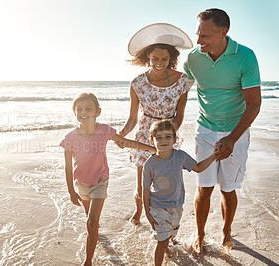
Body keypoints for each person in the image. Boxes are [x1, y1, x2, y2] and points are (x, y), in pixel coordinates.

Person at [183, 8, 262, 254]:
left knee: (228, 189)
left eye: (205, 36)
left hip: (235, 131)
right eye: (198, 34)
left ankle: (226, 231)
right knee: (204, 188)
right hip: (205, 130)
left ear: (223, 32)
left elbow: (254, 104)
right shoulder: (192, 58)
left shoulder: (246, 57)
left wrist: (232, 138)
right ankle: (200, 235)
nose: (198, 41)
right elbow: (178, 93)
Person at [60, 92, 156, 266]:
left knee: (91, 222)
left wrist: (151, 148)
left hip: (100, 181)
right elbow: (67, 167)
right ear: (74, 112)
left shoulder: (104, 130)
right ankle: (94, 231)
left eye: (89, 108)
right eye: (79, 109)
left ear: (98, 111)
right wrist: (71, 191)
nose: (84, 111)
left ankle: (87, 261)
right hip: (81, 183)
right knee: (90, 219)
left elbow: (125, 142)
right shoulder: (70, 138)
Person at [117, 23, 193, 225]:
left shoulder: (182, 81)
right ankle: (139, 211)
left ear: (172, 58)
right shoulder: (137, 83)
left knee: (167, 181)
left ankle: (167, 219)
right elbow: (133, 118)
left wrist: (167, 136)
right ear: (147, 58)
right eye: (155, 59)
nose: (160, 63)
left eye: (165, 59)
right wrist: (121, 134)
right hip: (145, 134)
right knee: (143, 180)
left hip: (169, 134)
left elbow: (179, 115)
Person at [143, 120, 216, 266]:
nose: (164, 141)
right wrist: (147, 212)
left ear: (175, 139)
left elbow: (199, 167)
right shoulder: (149, 164)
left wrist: (215, 155)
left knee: (170, 235)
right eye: (159, 138)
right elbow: (144, 190)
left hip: (177, 205)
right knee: (162, 241)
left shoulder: (180, 156)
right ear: (152, 140)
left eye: (168, 137)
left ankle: (167, 247)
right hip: (157, 208)